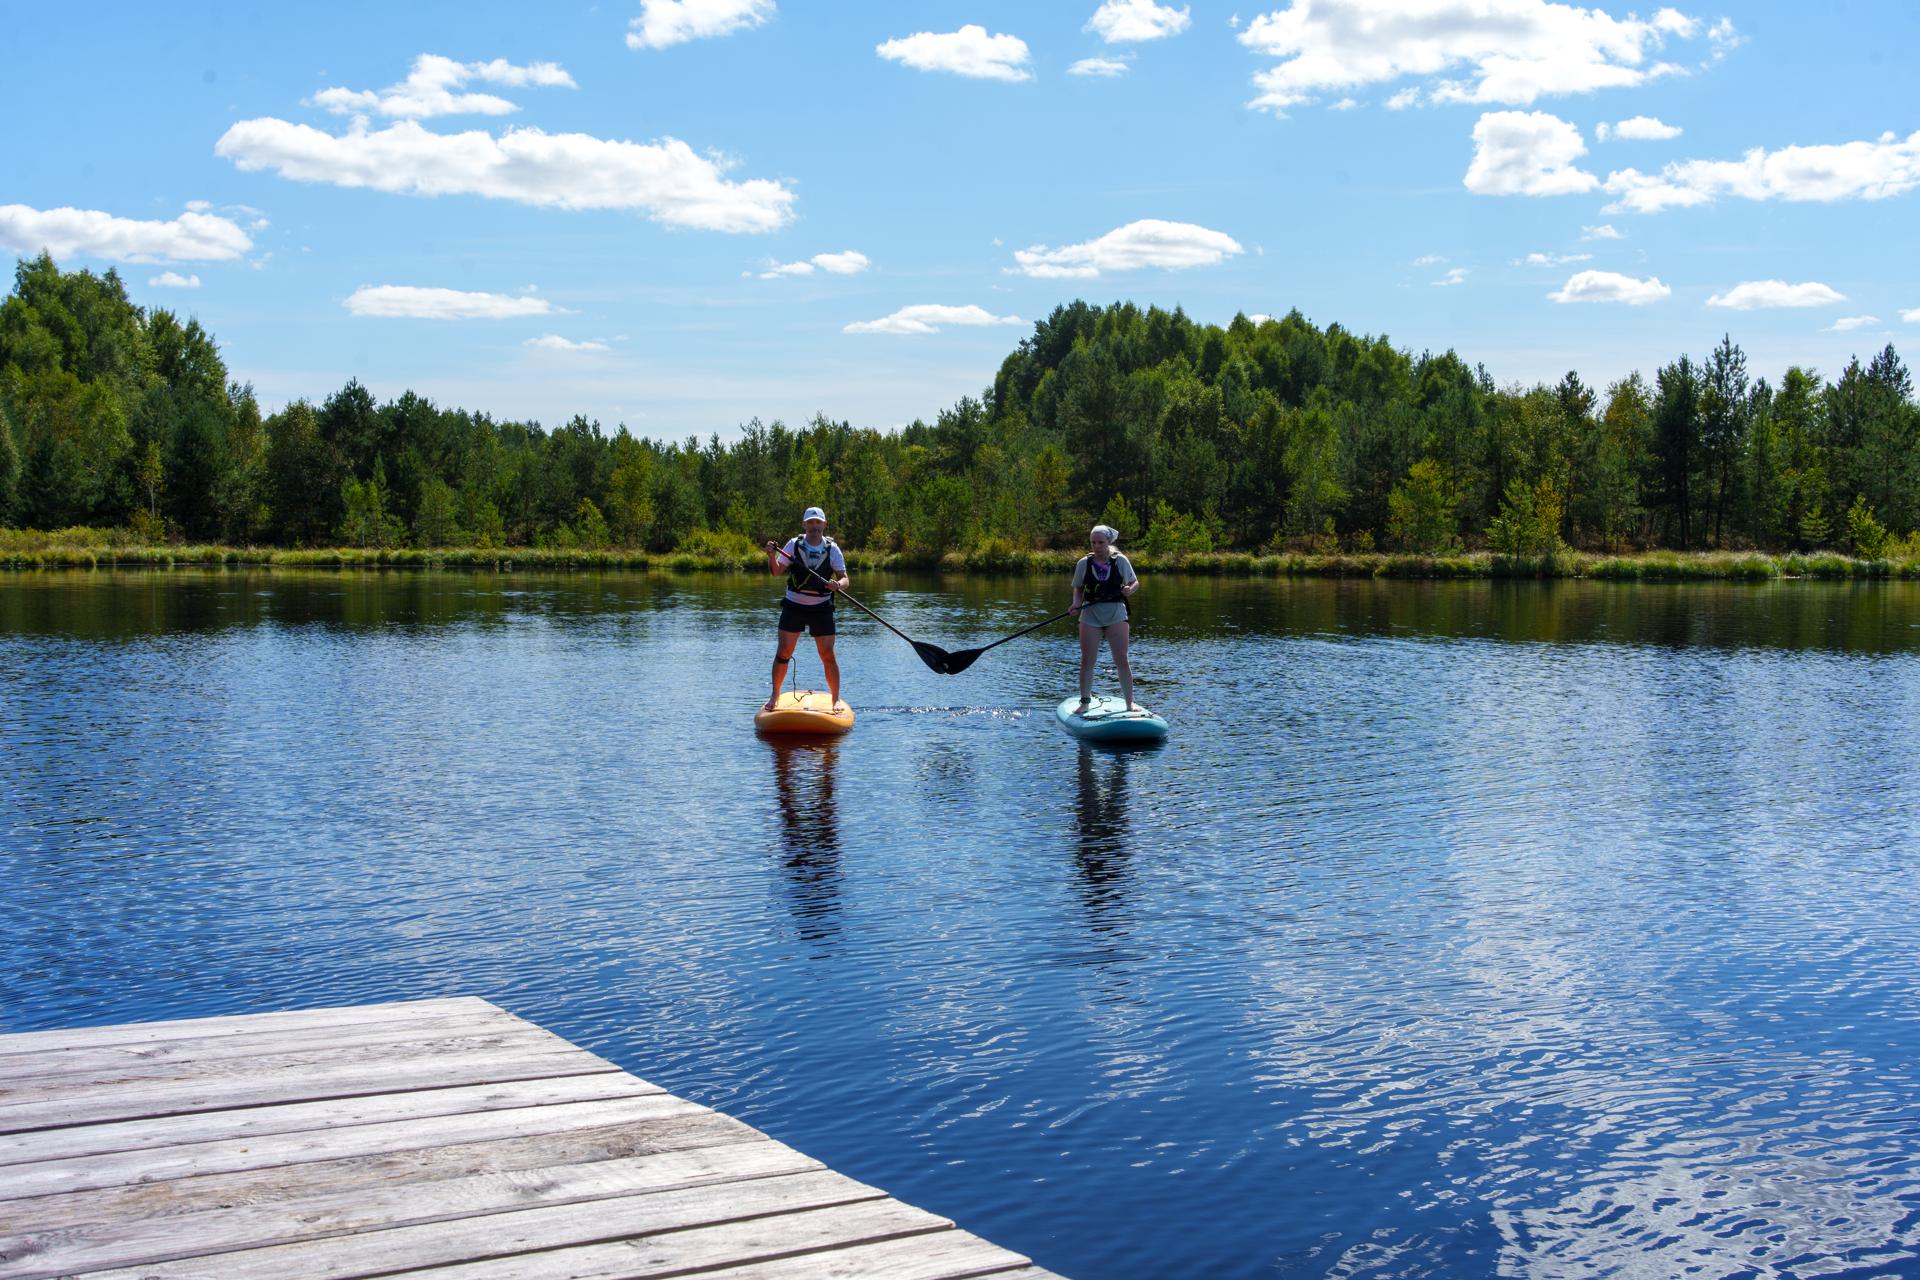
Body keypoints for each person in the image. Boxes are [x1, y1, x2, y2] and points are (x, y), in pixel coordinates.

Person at [763, 507, 849, 712]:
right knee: (784, 652)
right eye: (810, 523)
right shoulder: (793, 545)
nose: (814, 526)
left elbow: (845, 578)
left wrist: (838, 585)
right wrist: (770, 555)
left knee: (828, 655)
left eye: (818, 523)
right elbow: (776, 572)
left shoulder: (833, 549)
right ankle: (775, 695)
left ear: (824, 525)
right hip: (794, 605)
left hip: (822, 607)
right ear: (804, 525)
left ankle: (835, 699)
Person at [1069, 523, 1140, 712]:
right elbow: (1078, 588)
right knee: (1087, 660)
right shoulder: (1084, 563)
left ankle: (1129, 703)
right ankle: (1085, 703)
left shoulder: (1121, 560)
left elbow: (1134, 583)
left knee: (1121, 659)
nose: (1096, 546)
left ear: (1108, 542)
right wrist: (1076, 604)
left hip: (1116, 612)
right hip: (1090, 614)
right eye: (1093, 542)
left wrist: (1129, 590)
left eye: (1100, 542)